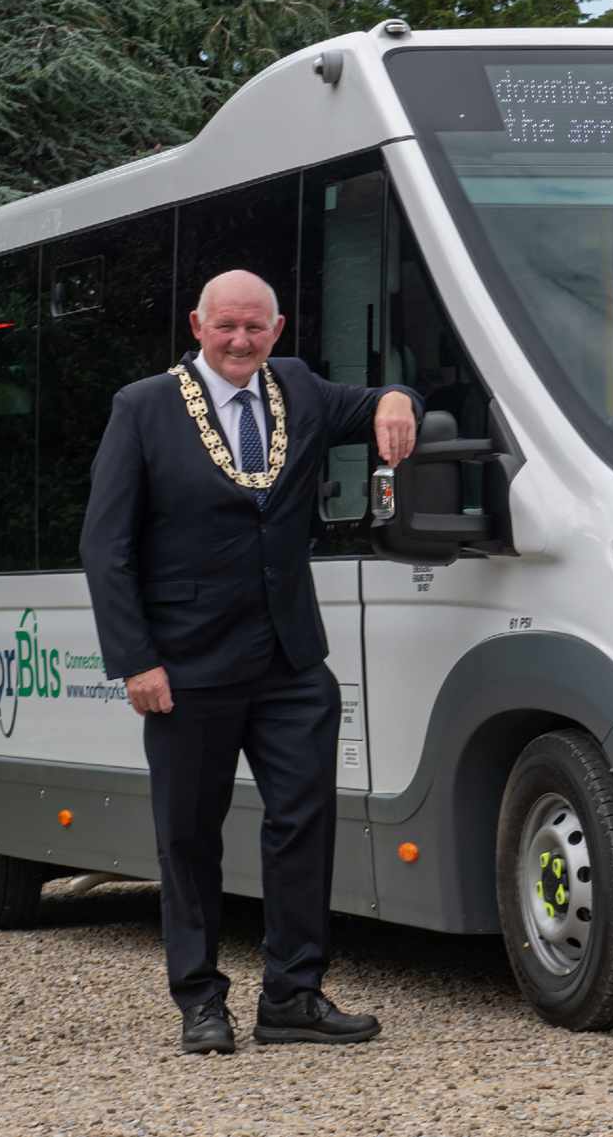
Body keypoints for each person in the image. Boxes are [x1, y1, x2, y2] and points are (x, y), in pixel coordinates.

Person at [81, 269, 419, 1054]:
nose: (240, 341)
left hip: (291, 663)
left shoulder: (296, 386)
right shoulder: (144, 407)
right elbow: (106, 546)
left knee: (303, 824)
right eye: (226, 326)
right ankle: (200, 1000)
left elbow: (375, 405)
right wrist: (136, 659)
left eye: (255, 328)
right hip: (186, 668)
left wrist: (398, 398)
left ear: (278, 327)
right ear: (198, 324)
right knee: (190, 837)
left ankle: (293, 996)